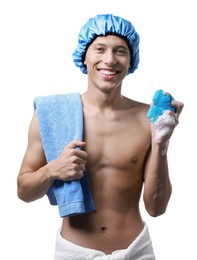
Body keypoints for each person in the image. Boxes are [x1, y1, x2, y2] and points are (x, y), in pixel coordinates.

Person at [17, 14, 184, 260]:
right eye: (100, 49)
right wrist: (52, 170)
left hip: (135, 251)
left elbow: (156, 209)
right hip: (74, 252)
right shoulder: (50, 114)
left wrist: (161, 142)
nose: (109, 59)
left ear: (131, 61)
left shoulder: (146, 119)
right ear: (84, 55)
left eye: (120, 51)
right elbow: (24, 191)